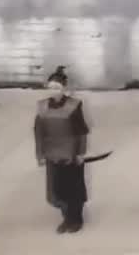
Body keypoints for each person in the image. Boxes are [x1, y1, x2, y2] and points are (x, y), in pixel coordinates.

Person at [34, 66, 91, 233]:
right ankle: (66, 218)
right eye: (51, 87)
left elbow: (82, 131)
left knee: (74, 189)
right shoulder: (42, 107)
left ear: (64, 88)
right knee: (58, 190)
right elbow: (39, 133)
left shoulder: (74, 106)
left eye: (57, 87)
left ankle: (76, 220)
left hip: (71, 155)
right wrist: (40, 154)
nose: (54, 91)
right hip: (52, 154)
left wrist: (80, 153)